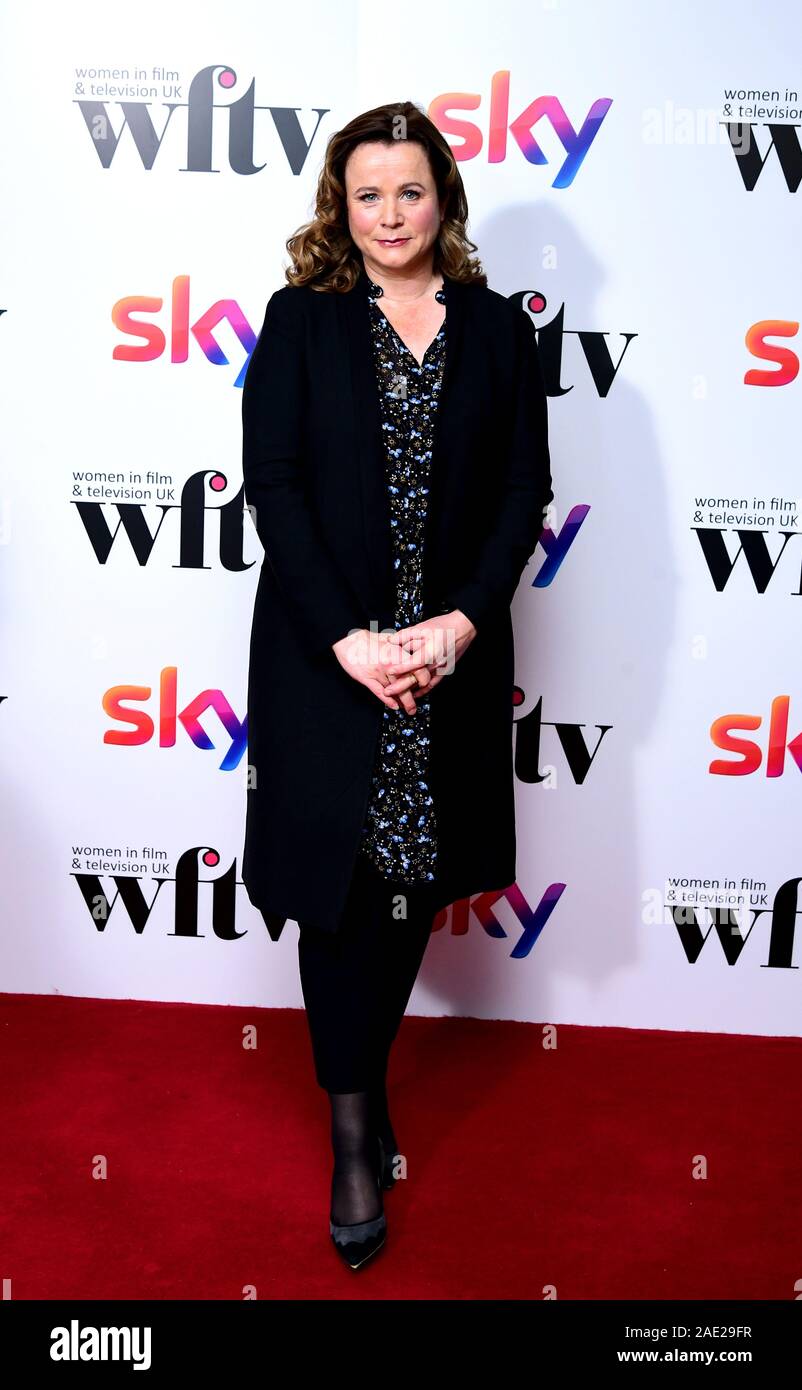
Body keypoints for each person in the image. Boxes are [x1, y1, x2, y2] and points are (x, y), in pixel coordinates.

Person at [241, 100, 553, 1270]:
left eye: (409, 192)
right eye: (366, 193)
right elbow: (274, 488)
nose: (388, 215)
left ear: (443, 201)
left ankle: (357, 1080)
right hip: (330, 663)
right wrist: (351, 643)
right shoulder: (303, 318)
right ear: (341, 202)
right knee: (340, 885)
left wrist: (460, 628)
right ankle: (355, 1125)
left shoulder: (496, 329)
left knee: (412, 875)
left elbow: (524, 488)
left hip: (448, 664)